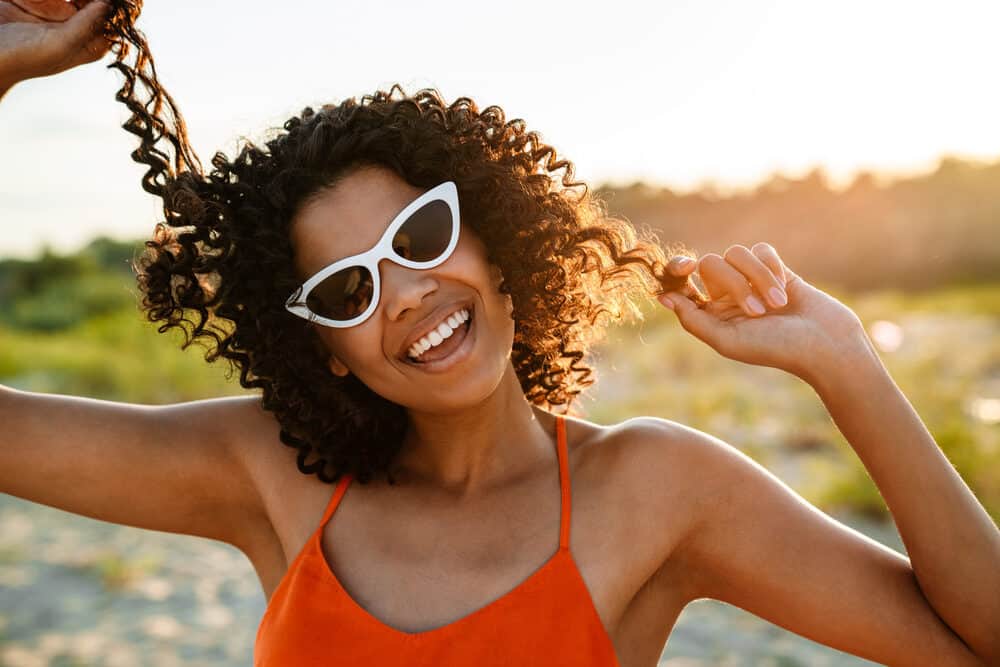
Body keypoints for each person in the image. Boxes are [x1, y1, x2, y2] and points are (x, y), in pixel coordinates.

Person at [1, 2, 998, 666]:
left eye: (423, 232)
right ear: (318, 343)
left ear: (495, 234)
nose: (405, 292)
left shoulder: (655, 490)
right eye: (347, 287)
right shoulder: (268, 470)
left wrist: (845, 365)